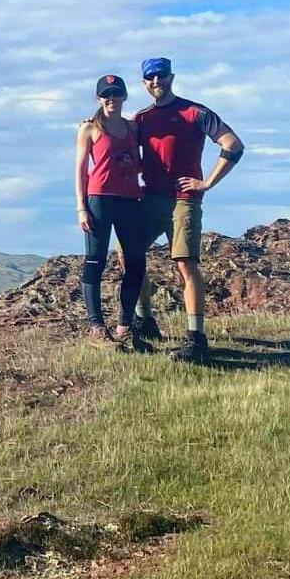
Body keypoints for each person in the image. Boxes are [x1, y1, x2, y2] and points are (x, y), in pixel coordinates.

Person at [133, 55, 245, 363]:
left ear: (171, 77)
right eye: (151, 78)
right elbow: (120, 143)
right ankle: (145, 321)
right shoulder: (141, 119)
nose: (157, 82)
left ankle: (196, 339)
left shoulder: (195, 112)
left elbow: (233, 145)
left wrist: (207, 182)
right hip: (151, 198)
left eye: (162, 76)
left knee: (184, 263)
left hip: (184, 200)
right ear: (144, 83)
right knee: (127, 253)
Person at [73, 73, 150, 345]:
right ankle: (96, 326)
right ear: (99, 98)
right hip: (99, 200)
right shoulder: (90, 128)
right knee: (96, 261)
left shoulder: (133, 128)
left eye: (116, 94)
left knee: (136, 262)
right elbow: (81, 170)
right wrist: (81, 207)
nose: (112, 99)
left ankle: (124, 326)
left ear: (124, 96)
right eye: (106, 94)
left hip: (130, 200)